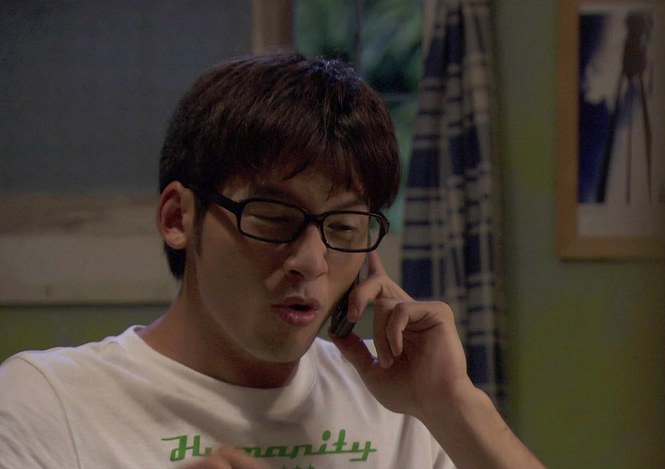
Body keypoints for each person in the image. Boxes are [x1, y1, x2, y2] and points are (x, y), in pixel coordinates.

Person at [0, 52, 544, 469]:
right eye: (273, 218)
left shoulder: (403, 403)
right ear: (178, 217)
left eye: (343, 227)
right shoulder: (49, 402)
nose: (311, 260)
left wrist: (453, 404)